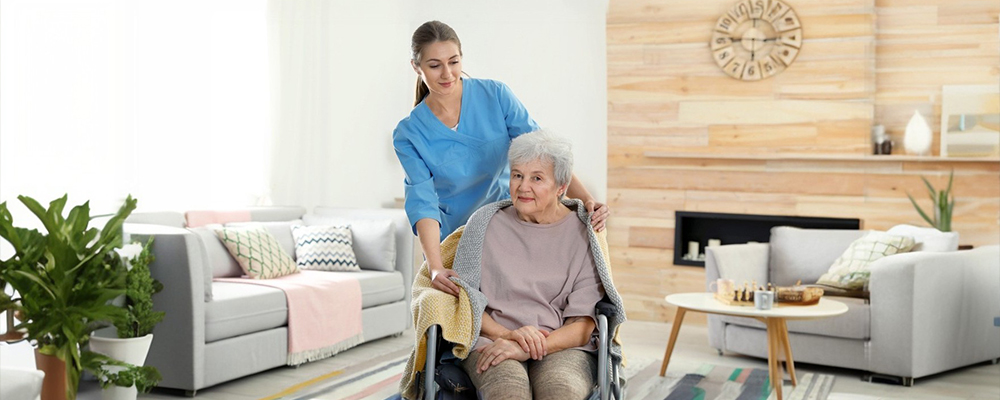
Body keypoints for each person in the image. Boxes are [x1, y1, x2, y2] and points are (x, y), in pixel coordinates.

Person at [392, 21, 611, 298]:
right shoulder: (409, 133)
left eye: (454, 62)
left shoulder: (495, 95)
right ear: (416, 66)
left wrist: (587, 199)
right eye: (435, 65)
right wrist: (435, 267)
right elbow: (422, 201)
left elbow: (543, 151)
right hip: (458, 233)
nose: (447, 73)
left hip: (509, 221)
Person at [451, 130, 617, 400]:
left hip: (563, 345)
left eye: (537, 178)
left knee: (560, 392)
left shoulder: (584, 234)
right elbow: (465, 303)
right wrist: (510, 336)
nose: (523, 187)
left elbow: (583, 325)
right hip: (493, 339)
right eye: (517, 175)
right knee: (508, 392)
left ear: (561, 187)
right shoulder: (484, 223)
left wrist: (526, 348)